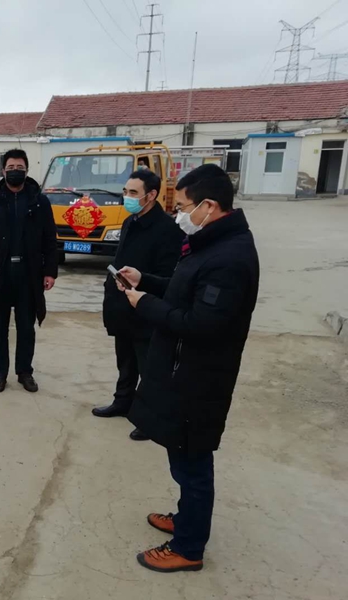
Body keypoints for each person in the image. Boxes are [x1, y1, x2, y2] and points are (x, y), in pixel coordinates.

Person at [118, 164, 260, 572]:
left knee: (193, 464)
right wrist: (146, 280)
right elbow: (185, 291)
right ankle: (186, 519)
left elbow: (201, 324)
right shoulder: (210, 243)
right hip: (183, 370)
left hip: (200, 379)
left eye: (182, 207)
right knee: (181, 457)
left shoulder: (229, 258)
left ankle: (188, 548)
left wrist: (145, 304)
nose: (178, 214)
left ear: (208, 206)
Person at [93, 169, 183, 441]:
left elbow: (168, 277)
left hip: (146, 306)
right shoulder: (129, 221)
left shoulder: (168, 230)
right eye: (125, 191)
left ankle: (151, 418)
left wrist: (142, 283)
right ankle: (123, 402)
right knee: (125, 360)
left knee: (150, 367)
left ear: (151, 195)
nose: (127, 197)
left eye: (133, 193)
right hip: (122, 305)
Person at [0, 149, 58, 393]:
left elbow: (50, 240)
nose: (15, 171)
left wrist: (50, 271)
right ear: (3, 171)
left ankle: (24, 372)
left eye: (19, 167)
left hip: (29, 275)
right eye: (10, 168)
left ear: (27, 170)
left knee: (26, 327)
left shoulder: (39, 202)